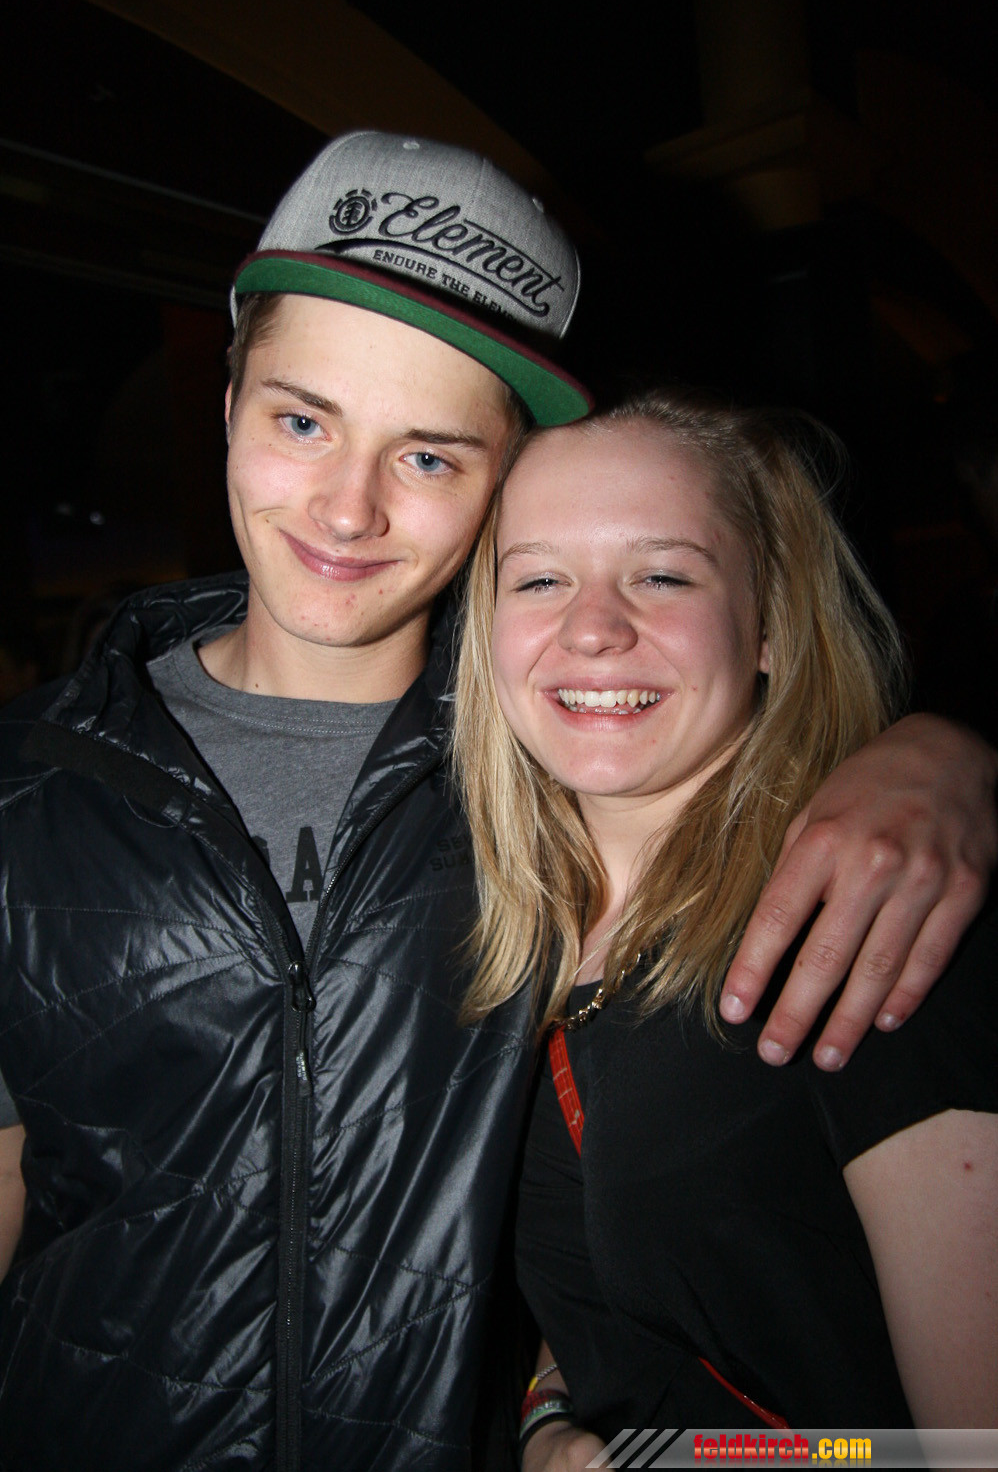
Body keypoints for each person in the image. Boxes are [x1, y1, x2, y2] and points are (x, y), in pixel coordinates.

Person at [0, 133, 994, 1472]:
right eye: (302, 420)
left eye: (427, 456)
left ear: (501, 481)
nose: (346, 510)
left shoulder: (559, 779)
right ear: (228, 401)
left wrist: (942, 755)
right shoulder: (31, 784)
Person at [452, 389, 998, 1463]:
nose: (593, 627)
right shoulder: (509, 943)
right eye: (539, 579)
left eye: (661, 576)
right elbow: (626, 1295)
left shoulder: (873, 927)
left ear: (768, 626)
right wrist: (550, 1418)